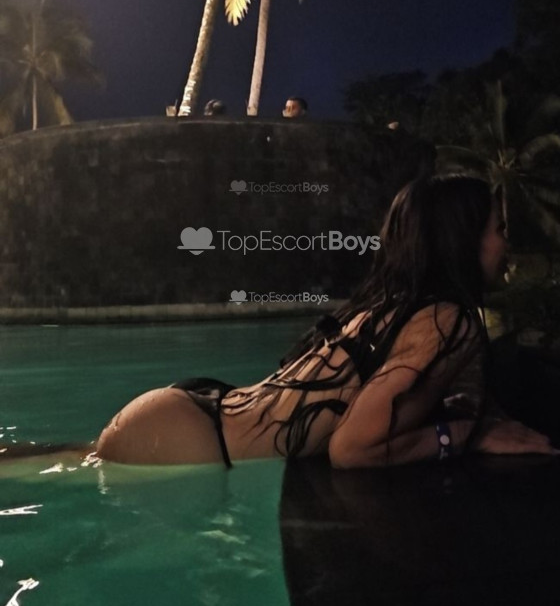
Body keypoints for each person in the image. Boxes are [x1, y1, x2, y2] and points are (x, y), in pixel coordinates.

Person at [93, 173, 557, 467]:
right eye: (499, 229)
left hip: (194, 414)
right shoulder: (449, 321)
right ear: (464, 239)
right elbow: (353, 448)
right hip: (192, 441)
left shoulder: (400, 306)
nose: (508, 243)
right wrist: (466, 436)